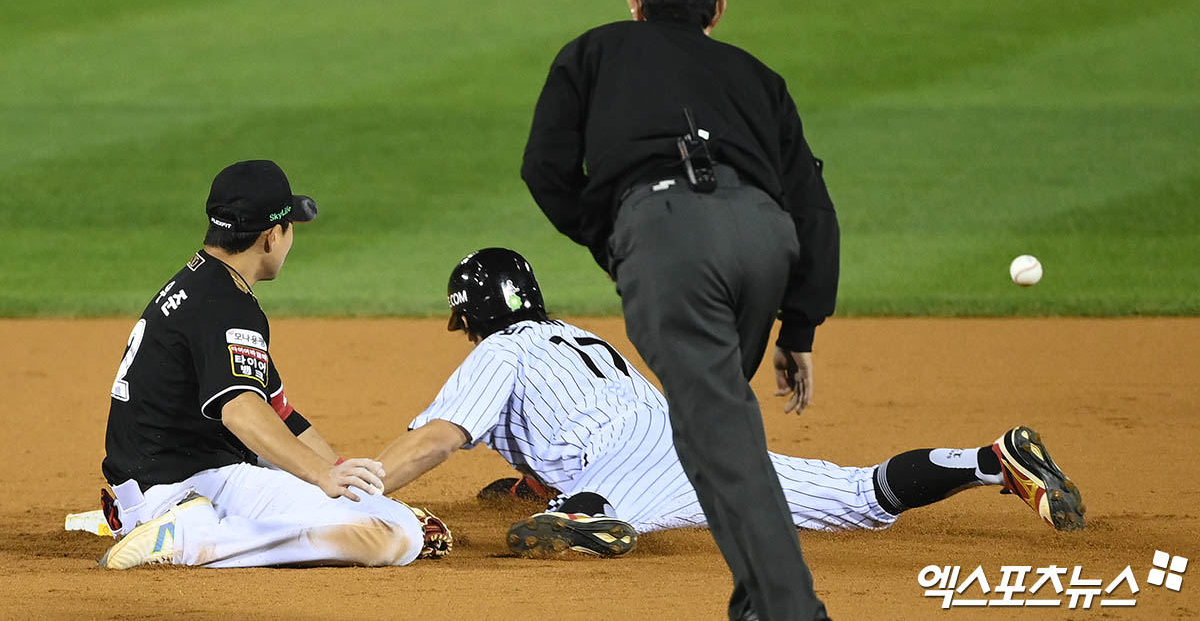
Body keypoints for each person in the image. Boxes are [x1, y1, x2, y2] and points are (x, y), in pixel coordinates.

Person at [378, 248, 1085, 561]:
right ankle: (992, 460)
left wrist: (360, 489)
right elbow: (568, 423)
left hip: (635, 457)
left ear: (470, 316)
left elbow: (438, 438)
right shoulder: (574, 335)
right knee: (859, 495)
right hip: (695, 437)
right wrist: (531, 478)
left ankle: (586, 513)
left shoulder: (498, 352)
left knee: (581, 512)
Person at [521, 0, 840, 620]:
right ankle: (756, 601)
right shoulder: (757, 76)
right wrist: (802, 323)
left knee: (721, 437)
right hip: (765, 240)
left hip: (667, 236)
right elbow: (811, 205)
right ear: (716, 9)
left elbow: (544, 169)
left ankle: (793, 611)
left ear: (635, 2)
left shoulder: (593, 50)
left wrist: (618, 239)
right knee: (709, 431)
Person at [98, 160, 450, 570]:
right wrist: (320, 475)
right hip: (189, 487)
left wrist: (345, 483)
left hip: (150, 489)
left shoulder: (198, 284)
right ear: (270, 236)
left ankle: (180, 529)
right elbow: (241, 410)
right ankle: (191, 540)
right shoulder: (226, 306)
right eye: (291, 227)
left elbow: (280, 413)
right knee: (396, 534)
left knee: (377, 512)